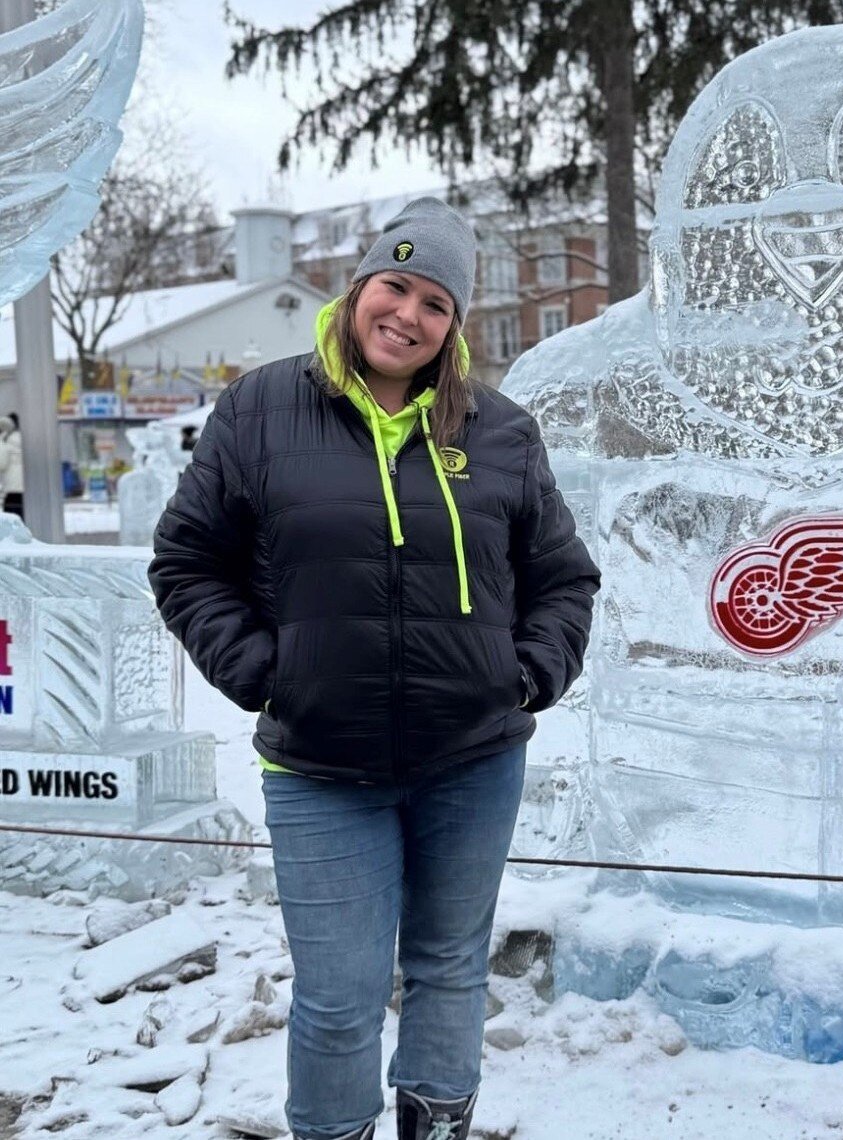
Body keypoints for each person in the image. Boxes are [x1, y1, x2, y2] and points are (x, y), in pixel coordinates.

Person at [148, 197, 601, 1140]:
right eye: (395, 286)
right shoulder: (262, 407)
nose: (409, 315)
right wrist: (265, 673)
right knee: (340, 994)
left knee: (447, 970)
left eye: (436, 303)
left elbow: (562, 577)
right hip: (321, 763)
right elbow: (188, 561)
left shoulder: (502, 432)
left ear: (455, 325)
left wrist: (526, 676)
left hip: (472, 758)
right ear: (360, 287)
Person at [0, 413, 23, 520]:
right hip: (26, 488)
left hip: (12, 488)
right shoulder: (26, 440)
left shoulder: (7, 443)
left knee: (10, 521)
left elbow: (2, 464)